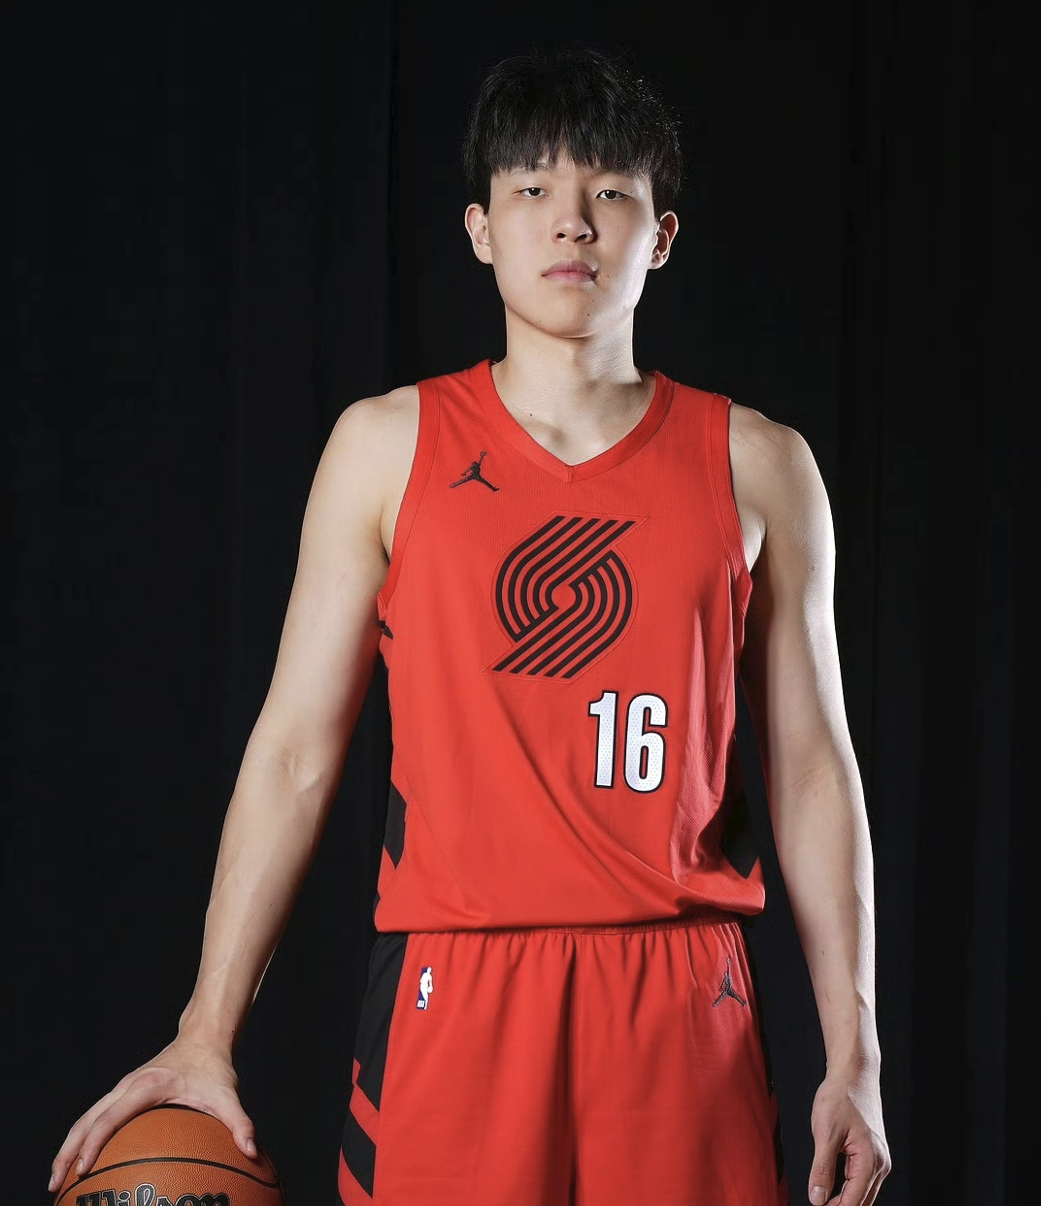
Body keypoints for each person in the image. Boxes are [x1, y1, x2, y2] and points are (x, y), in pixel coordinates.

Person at [48, 42, 891, 1206]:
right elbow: (295, 753)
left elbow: (810, 769)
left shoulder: (760, 467)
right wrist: (205, 1031)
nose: (571, 221)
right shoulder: (383, 449)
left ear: (659, 236)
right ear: (481, 229)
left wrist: (856, 1052)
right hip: (455, 986)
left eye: (608, 192)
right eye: (532, 187)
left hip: (678, 995)